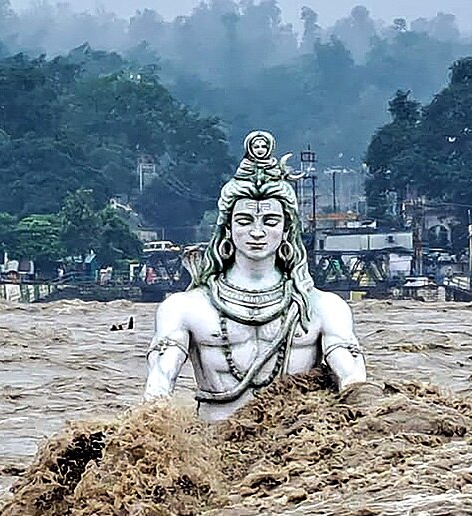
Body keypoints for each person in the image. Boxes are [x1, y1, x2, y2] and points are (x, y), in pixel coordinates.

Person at [144, 133, 366, 420]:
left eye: (270, 221)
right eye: (245, 220)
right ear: (227, 228)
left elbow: (353, 381)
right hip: (214, 444)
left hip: (294, 448)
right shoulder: (185, 308)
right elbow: (160, 382)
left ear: (287, 229)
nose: (257, 232)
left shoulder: (323, 308)